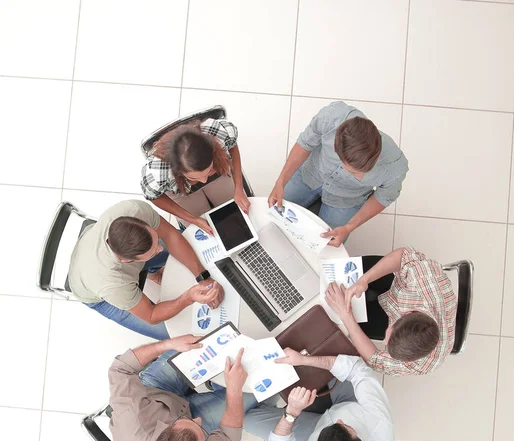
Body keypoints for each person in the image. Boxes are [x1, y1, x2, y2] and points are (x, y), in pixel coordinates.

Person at [109, 336, 258, 441]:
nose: (198, 419)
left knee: (201, 343)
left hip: (155, 392)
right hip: (166, 412)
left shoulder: (131, 415)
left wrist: (167, 344)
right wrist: (234, 390)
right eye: (200, 429)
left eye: (191, 422)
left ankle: (215, 378)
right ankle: (219, 380)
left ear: (165, 429)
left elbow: (121, 368)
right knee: (254, 388)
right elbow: (228, 435)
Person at [67, 199, 224, 339]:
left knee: (184, 241)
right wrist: (187, 298)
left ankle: (152, 273)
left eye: (155, 241)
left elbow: (170, 235)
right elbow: (151, 314)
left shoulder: (134, 210)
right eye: (152, 252)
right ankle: (150, 272)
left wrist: (202, 276)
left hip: (91, 245)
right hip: (93, 291)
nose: (159, 249)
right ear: (127, 260)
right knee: (176, 333)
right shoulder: (114, 284)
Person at [244, 349, 394, 441]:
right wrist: (305, 360)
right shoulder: (380, 421)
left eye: (336, 424)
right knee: (325, 351)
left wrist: (291, 413)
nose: (340, 420)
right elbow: (357, 370)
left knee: (247, 419)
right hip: (348, 400)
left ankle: (274, 388)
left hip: (311, 427)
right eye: (346, 426)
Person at [268, 101, 408, 246]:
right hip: (310, 174)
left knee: (326, 246)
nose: (352, 175)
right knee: (272, 217)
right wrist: (280, 182)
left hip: (346, 199)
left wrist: (349, 227)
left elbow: (383, 198)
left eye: (356, 174)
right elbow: (305, 143)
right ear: (335, 146)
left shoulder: (394, 166)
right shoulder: (331, 118)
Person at [325, 247, 457, 376]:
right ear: (404, 314)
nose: (383, 342)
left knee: (334, 321)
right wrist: (363, 281)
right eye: (388, 338)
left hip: (389, 311)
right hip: (398, 283)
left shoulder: (424, 363)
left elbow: (376, 361)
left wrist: (346, 315)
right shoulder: (423, 280)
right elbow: (403, 255)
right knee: (341, 272)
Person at [141, 117, 250, 232]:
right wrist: (193, 219)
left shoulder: (221, 132)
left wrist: (239, 187)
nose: (204, 181)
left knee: (234, 213)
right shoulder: (158, 174)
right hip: (181, 190)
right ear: (176, 170)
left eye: (209, 170)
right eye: (193, 177)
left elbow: (232, 145)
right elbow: (154, 197)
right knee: (197, 228)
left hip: (218, 175)